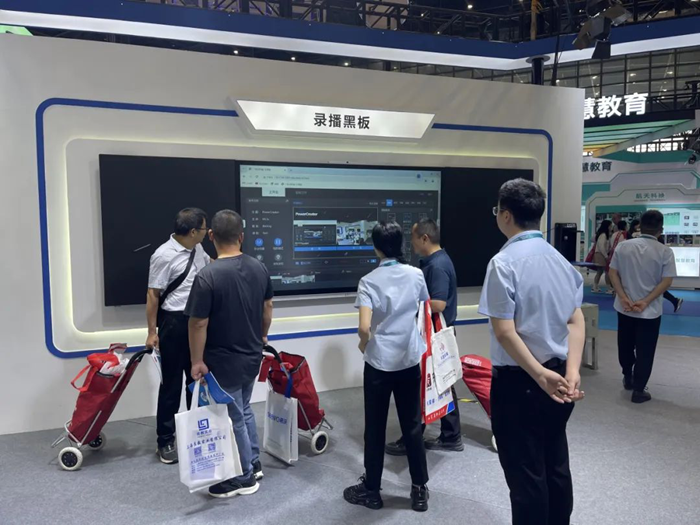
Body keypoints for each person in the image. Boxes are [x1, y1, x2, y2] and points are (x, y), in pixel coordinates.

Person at [478, 179, 586, 525]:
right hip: (561, 378)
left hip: (521, 382)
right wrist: (572, 370)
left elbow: (504, 331)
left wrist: (539, 375)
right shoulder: (560, 261)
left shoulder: (503, 263)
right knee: (556, 464)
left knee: (526, 475)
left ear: (506, 215)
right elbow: (575, 319)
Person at [185, 210, 274, 497]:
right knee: (243, 409)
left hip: (223, 361)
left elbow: (198, 323)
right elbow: (268, 307)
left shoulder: (207, 276)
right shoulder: (259, 267)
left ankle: (244, 477)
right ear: (241, 236)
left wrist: (196, 361)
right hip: (252, 355)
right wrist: (262, 336)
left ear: (211, 235)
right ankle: (254, 462)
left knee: (235, 414)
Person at [343, 222, 430, 513]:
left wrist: (363, 344)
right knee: (412, 425)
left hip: (379, 363)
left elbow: (364, 327)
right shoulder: (416, 274)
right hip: (408, 360)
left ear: (376, 247)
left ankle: (372, 490)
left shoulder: (368, 281)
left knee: (375, 427)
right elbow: (422, 306)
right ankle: (419, 490)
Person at [385, 218, 463, 456]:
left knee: (426, 385)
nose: (411, 243)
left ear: (425, 238)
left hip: (434, 335)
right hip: (435, 333)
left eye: (413, 238)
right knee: (439, 383)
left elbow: (438, 303)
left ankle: (416, 438)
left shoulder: (437, 266)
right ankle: (448, 435)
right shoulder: (435, 261)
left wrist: (409, 302)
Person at [146, 208, 210, 464]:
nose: (207, 233)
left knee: (197, 382)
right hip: (173, 323)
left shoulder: (198, 249)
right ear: (193, 231)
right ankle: (165, 441)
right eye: (204, 229)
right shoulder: (163, 255)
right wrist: (152, 332)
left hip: (198, 322)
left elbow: (209, 267)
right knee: (171, 385)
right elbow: (153, 294)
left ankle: (196, 434)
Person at [609, 210, 677, 404]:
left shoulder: (623, 246)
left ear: (640, 225)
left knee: (625, 344)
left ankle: (627, 375)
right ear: (661, 229)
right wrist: (646, 301)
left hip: (625, 307)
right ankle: (639, 390)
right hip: (650, 311)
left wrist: (623, 297)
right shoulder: (664, 251)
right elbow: (667, 281)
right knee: (645, 350)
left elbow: (613, 273)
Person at [592, 219, 613, 293]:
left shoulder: (604, 234)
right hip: (600, 255)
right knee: (606, 271)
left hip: (600, 254)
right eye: (610, 226)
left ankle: (595, 287)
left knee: (600, 271)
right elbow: (601, 247)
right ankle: (608, 288)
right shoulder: (603, 235)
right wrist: (606, 256)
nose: (611, 227)